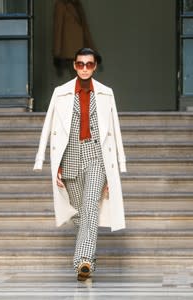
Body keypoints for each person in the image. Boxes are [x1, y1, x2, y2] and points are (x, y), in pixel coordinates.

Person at [34, 48, 126, 281]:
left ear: (95, 67)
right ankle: (89, 261)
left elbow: (114, 131)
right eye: (80, 64)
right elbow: (48, 126)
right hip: (70, 157)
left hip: (96, 156)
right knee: (79, 211)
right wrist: (46, 162)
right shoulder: (61, 92)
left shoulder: (106, 93)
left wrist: (118, 167)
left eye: (89, 64)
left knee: (90, 206)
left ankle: (82, 260)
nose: (85, 68)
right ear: (74, 66)